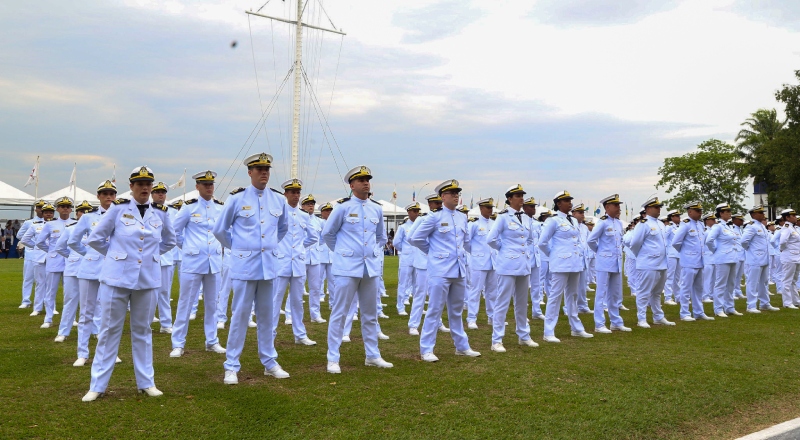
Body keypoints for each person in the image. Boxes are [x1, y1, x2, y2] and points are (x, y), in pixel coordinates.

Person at [82, 166, 177, 402]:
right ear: (132, 186)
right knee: (109, 331)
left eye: (148, 184)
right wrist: (116, 255)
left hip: (147, 279)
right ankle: (97, 385)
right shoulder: (118, 209)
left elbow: (170, 241)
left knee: (143, 331)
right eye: (140, 184)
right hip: (117, 279)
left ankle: (146, 382)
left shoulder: (161, 213)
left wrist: (150, 257)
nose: (145, 188)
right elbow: (96, 239)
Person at [212, 153, 289, 385]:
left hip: (269, 267)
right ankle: (231, 366)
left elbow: (282, 229)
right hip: (244, 267)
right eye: (259, 169)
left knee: (267, 317)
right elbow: (220, 230)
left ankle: (269, 362)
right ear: (250, 172)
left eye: (267, 169)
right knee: (240, 316)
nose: (264, 172)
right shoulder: (236, 199)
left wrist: (269, 247)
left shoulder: (278, 200)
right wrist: (238, 249)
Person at [323, 165, 393, 374]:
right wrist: (344, 253)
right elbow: (328, 234)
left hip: (369, 268)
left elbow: (381, 237)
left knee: (370, 314)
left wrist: (370, 252)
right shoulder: (343, 208)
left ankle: (372, 355)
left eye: (368, 179)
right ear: (352, 185)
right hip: (346, 268)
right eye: (361, 180)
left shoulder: (376, 208)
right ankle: (333, 358)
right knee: (340, 313)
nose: (366, 183)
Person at [409, 179, 480, 362]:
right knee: (434, 309)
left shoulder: (461, 217)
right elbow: (415, 238)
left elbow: (464, 243)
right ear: (443, 196)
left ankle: (462, 346)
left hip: (458, 270)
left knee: (456, 311)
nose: (456, 196)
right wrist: (433, 253)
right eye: (452, 193)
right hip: (440, 270)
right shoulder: (434, 217)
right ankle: (426, 349)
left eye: (458, 193)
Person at [170, 171, 226, 358]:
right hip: (193, 262)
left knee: (212, 304)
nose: (209, 187)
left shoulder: (220, 208)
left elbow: (224, 231)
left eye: (211, 184)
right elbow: (174, 232)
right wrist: (188, 247)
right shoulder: (188, 208)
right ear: (198, 186)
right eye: (205, 184)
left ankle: (212, 341)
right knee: (185, 303)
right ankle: (178, 343)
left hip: (214, 262)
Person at [69, 180, 118, 367]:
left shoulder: (122, 215)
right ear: (98, 197)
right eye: (104, 194)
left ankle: (109, 352)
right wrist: (88, 255)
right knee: (87, 312)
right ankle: (82, 352)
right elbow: (73, 241)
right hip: (90, 269)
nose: (108, 197)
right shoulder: (88, 218)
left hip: (113, 269)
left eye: (111, 194)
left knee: (111, 313)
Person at [487, 184, 539, 351]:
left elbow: (529, 239)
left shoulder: (526, 218)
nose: (521, 198)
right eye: (517, 196)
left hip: (524, 265)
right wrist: (505, 250)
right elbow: (491, 239)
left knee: (522, 303)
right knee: (502, 302)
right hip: (507, 265)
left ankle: (523, 335)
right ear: (509, 199)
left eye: (522, 195)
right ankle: (497, 340)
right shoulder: (503, 217)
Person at [539, 190, 592, 342]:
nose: (570, 203)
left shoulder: (574, 220)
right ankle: (548, 332)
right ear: (558, 204)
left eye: (570, 200)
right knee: (555, 297)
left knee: (573, 296)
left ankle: (576, 328)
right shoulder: (553, 221)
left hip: (575, 263)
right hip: (560, 264)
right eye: (566, 200)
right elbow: (542, 243)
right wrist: (555, 256)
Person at [272, 179, 317, 346]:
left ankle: (300, 334)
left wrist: (300, 248)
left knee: (297, 301)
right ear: (285, 194)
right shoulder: (278, 213)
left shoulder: (304, 215)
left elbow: (313, 237)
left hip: (298, 262)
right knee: (275, 300)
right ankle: (271, 333)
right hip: (281, 261)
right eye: (292, 192)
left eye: (298, 192)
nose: (296, 195)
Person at [587, 194, 630, 333]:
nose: (618, 208)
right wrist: (600, 252)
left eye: (619, 205)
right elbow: (591, 240)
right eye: (616, 205)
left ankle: (616, 321)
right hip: (604, 262)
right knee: (601, 293)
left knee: (615, 294)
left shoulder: (618, 223)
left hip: (616, 262)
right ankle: (599, 324)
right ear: (607, 207)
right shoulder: (602, 222)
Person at [629, 197, 675, 328]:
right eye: (656, 207)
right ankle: (641, 318)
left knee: (657, 292)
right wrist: (643, 257)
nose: (659, 209)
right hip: (648, 263)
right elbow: (635, 244)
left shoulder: (660, 224)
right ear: (648, 209)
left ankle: (658, 316)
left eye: (659, 207)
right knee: (644, 292)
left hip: (661, 263)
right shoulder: (643, 224)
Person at [52, 200, 94, 342]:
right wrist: (71, 257)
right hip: (73, 269)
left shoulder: (98, 228)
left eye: (88, 212)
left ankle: (96, 330)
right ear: (77, 214)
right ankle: (63, 331)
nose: (84, 214)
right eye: (82, 211)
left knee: (95, 302)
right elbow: (59, 247)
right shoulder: (70, 229)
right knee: (70, 300)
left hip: (92, 269)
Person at [35, 197, 76, 329]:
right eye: (62, 206)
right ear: (57, 209)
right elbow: (40, 242)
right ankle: (48, 318)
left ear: (71, 209)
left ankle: (71, 318)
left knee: (70, 292)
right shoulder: (50, 224)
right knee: (50, 291)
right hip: (54, 261)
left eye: (67, 206)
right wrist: (51, 252)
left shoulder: (76, 224)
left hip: (70, 261)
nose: (65, 209)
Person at [670, 201, 713, 321]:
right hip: (689, 261)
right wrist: (685, 253)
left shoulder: (699, 225)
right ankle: (684, 313)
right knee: (686, 287)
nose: (700, 213)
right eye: (697, 211)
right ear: (690, 212)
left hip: (700, 261)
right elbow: (675, 242)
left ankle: (699, 312)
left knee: (698, 288)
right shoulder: (685, 224)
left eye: (701, 211)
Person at [705, 203, 743, 317]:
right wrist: (716, 251)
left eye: (729, 211)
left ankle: (730, 307)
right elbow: (709, 241)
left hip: (733, 257)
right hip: (722, 258)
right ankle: (718, 309)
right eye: (727, 211)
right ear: (721, 213)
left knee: (731, 284)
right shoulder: (718, 226)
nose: (730, 213)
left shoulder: (729, 226)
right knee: (720, 284)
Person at [465, 198, 497, 329]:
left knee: (493, 291)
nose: (490, 210)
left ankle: (492, 316)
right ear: (481, 208)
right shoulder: (474, 224)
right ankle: (471, 318)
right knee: (475, 291)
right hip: (479, 261)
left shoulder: (495, 223)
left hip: (493, 261)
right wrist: (475, 253)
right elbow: (466, 242)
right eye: (488, 207)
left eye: (491, 207)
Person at [741, 205, 779, 313]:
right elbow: (744, 241)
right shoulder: (751, 226)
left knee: (764, 282)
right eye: (760, 213)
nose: (763, 214)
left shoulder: (762, 226)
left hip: (764, 258)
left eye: (763, 212)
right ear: (753, 215)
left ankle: (765, 303)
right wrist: (750, 251)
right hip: (755, 259)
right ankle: (751, 306)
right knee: (753, 283)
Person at [149, 182, 176, 334]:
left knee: (164, 292)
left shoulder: (172, 211)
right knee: (147, 291)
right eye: (157, 192)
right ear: (152, 194)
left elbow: (174, 236)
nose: (160, 194)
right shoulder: (146, 210)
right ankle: (147, 321)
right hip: (149, 258)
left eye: (163, 192)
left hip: (165, 257)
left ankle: (166, 323)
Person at [301, 194, 327, 324]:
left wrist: (316, 247)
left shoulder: (319, 221)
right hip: (301, 257)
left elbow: (322, 238)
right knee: (297, 288)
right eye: (308, 204)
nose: (311, 206)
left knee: (315, 287)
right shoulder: (298, 218)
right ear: (302, 206)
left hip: (315, 258)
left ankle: (315, 314)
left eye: (312, 203)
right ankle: (290, 314)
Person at [16, 200, 45, 308]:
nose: (41, 209)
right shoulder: (29, 222)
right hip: (31, 253)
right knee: (28, 278)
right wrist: (32, 244)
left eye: (43, 207)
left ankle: (44, 301)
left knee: (44, 279)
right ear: (36, 209)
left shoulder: (51, 222)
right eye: (39, 207)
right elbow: (20, 235)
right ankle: (26, 300)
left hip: (44, 254)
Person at [392, 203, 419, 317]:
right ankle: (400, 306)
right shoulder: (403, 227)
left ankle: (417, 307)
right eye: (414, 211)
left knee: (418, 285)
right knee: (403, 283)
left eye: (418, 211)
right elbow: (396, 243)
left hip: (418, 259)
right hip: (407, 258)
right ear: (409, 212)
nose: (417, 213)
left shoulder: (420, 225)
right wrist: (405, 251)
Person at [522, 197, 545, 320]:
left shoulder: (536, 224)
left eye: (534, 206)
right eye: (531, 206)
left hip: (536, 257)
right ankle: (522, 312)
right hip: (524, 258)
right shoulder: (521, 221)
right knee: (523, 287)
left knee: (536, 286)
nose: (533, 208)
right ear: (524, 208)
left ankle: (536, 310)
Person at [570, 203, 592, 314]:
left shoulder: (584, 227)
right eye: (580, 213)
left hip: (583, 259)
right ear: (573, 213)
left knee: (583, 285)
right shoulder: (570, 225)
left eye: (583, 213)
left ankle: (583, 306)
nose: (582, 215)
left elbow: (587, 242)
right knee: (571, 287)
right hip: (573, 259)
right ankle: (569, 308)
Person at [778, 208, 800, 309]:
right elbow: (782, 242)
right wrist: (782, 250)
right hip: (789, 257)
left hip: (796, 257)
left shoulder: (793, 228)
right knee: (787, 280)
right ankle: (787, 302)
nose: (795, 217)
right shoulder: (786, 227)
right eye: (793, 216)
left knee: (794, 280)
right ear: (787, 217)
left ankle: (795, 300)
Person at [663, 209, 681, 306]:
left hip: (679, 254)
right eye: (677, 216)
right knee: (670, 276)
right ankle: (668, 297)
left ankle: (678, 297)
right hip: (671, 254)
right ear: (672, 217)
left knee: (677, 277)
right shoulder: (669, 228)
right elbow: (664, 240)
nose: (679, 218)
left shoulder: (679, 227)